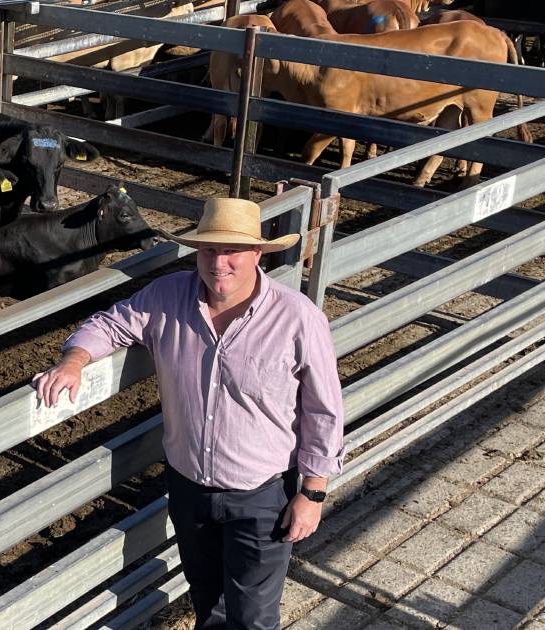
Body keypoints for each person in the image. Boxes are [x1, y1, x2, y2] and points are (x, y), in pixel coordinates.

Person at [34, 197, 344, 630]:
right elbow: (108, 323)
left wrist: (312, 493)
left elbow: (323, 409)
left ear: (258, 254)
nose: (220, 262)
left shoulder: (297, 318)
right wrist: (74, 359)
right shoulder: (166, 297)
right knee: (207, 604)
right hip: (189, 489)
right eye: (210, 250)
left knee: (253, 618)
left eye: (232, 250)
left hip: (262, 495)